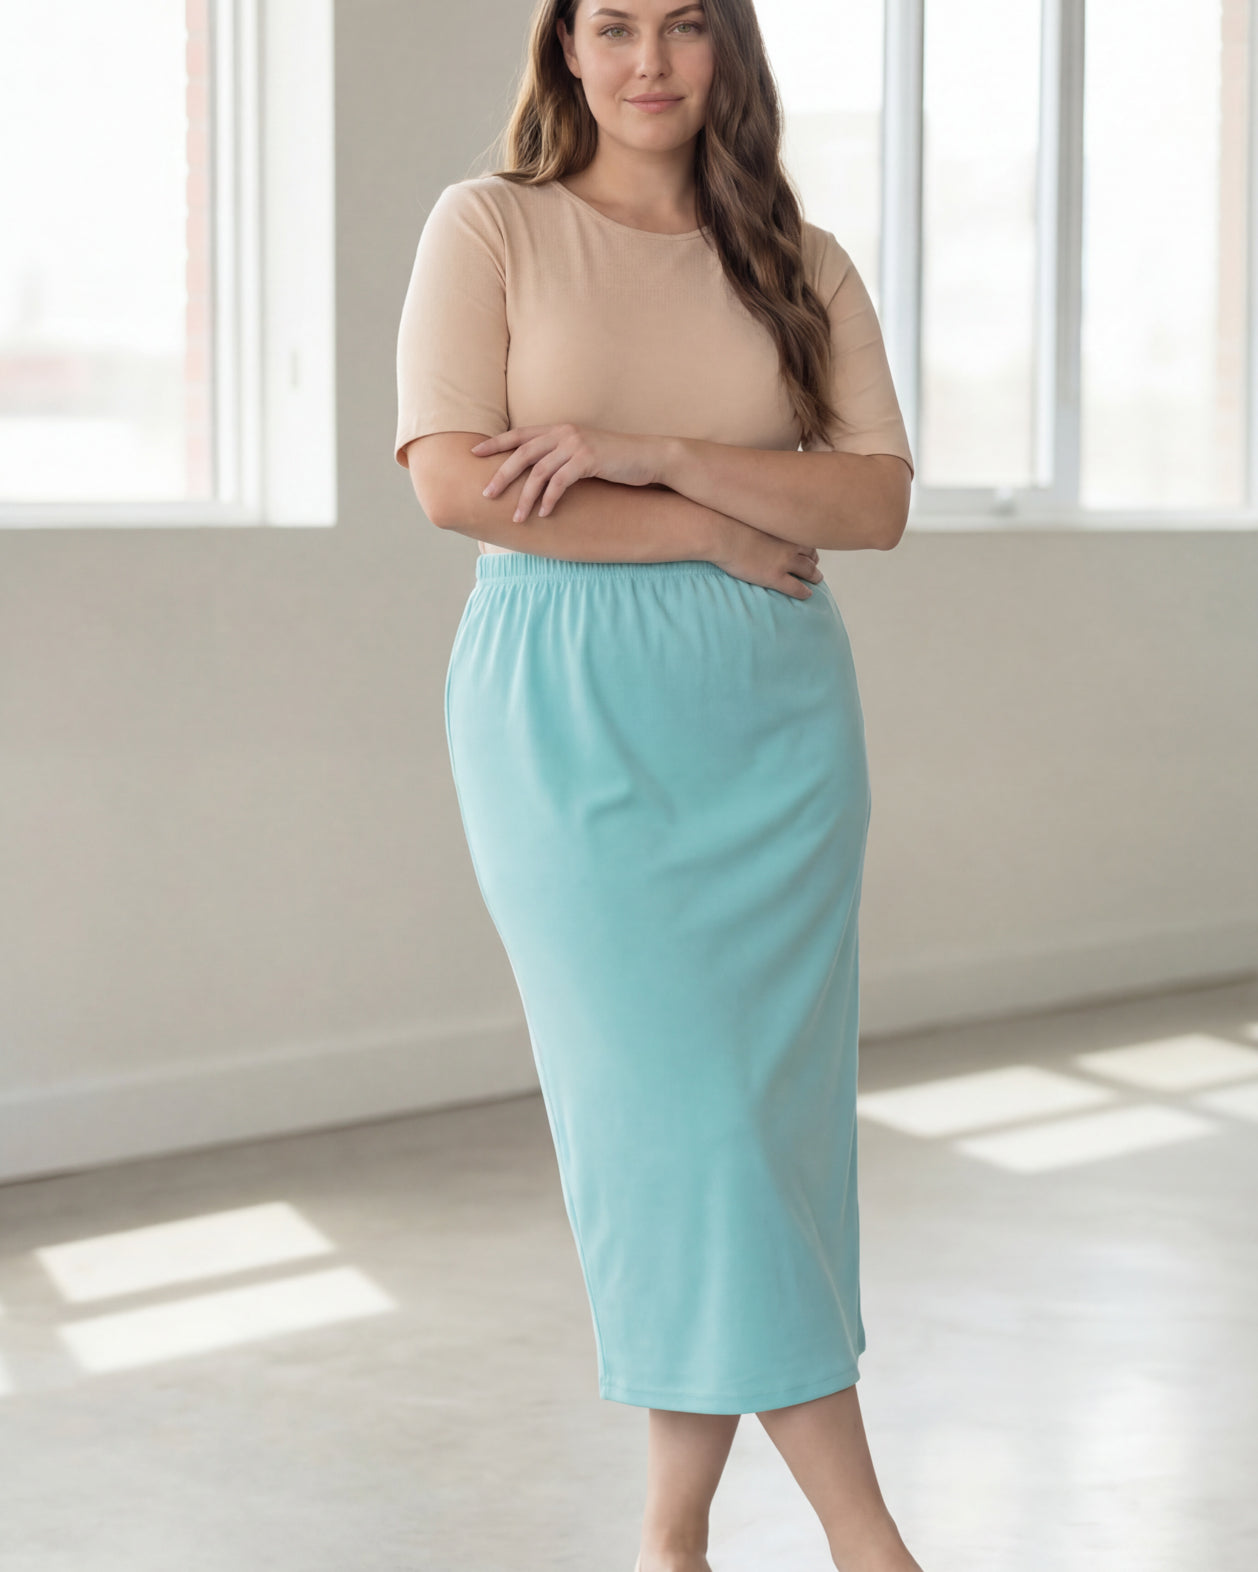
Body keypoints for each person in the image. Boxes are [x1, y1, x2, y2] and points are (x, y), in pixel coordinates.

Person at [394, 3, 923, 1569]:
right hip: (564, 715)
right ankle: (866, 1540)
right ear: (562, 49)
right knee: (683, 1126)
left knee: (756, 1128)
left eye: (683, 24)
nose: (647, 59)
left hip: (775, 730)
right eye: (610, 24)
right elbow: (451, 480)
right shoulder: (488, 223)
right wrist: (703, 523)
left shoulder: (800, 261)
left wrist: (657, 453)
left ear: (725, 51)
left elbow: (873, 499)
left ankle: (669, 1535)